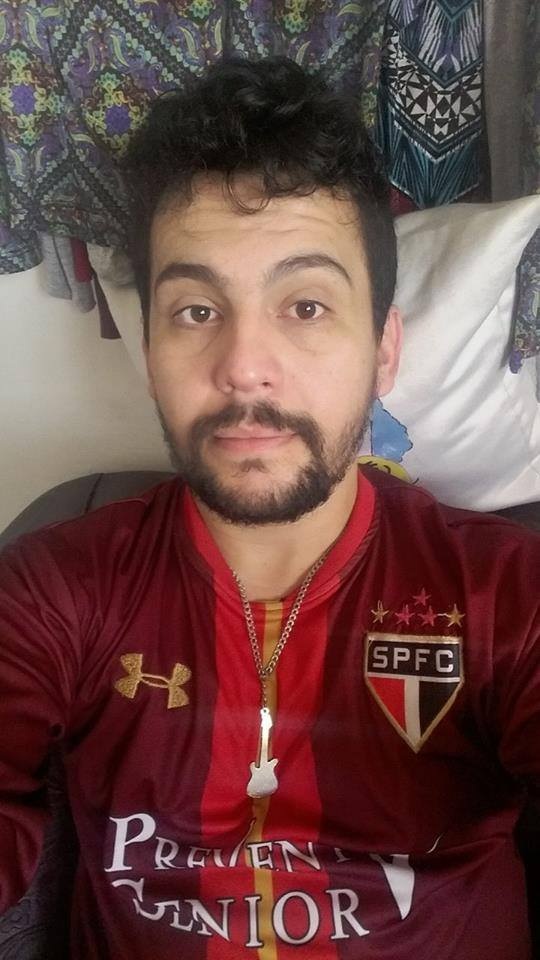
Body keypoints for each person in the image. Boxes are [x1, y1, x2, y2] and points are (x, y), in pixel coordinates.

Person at [0, 56, 539, 960]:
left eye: (306, 305)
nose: (245, 367)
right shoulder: (55, 588)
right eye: (196, 311)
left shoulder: (506, 595)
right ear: (150, 352)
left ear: (384, 351)